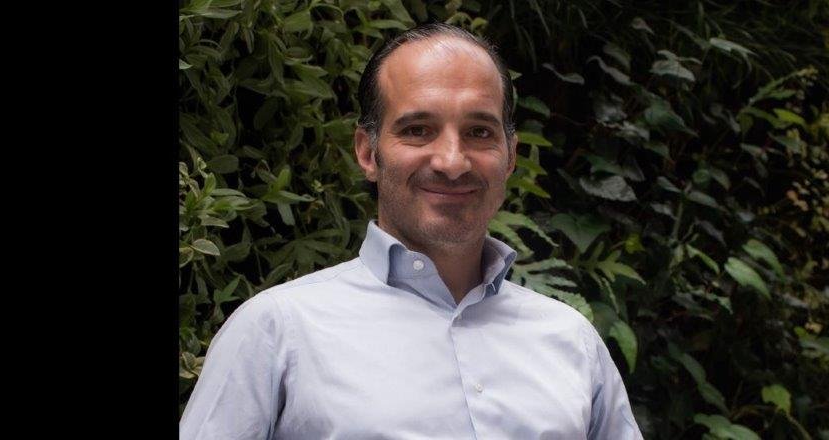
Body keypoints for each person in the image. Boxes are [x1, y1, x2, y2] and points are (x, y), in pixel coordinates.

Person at [179, 22, 643, 439]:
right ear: (367, 152)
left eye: (479, 132)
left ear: (510, 156)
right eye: (418, 130)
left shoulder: (571, 340)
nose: (452, 162)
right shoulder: (275, 332)